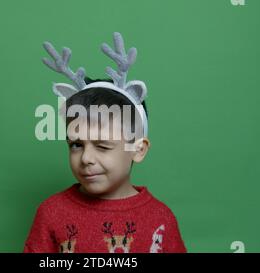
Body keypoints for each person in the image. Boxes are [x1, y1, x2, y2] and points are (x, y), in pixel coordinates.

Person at [24, 33, 186, 253]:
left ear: (138, 150)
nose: (86, 159)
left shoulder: (161, 219)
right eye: (76, 145)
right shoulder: (51, 213)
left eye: (102, 146)